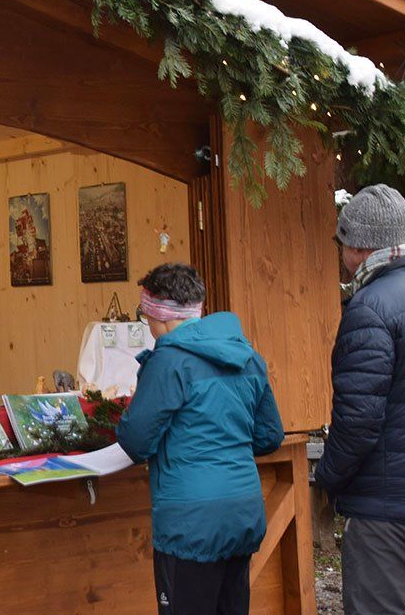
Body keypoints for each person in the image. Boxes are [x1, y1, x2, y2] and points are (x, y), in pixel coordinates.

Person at [116, 263, 284, 615]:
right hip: (241, 513)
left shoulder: (168, 362)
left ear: (158, 315)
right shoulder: (246, 356)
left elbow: (135, 441)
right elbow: (269, 435)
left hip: (189, 522)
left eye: (144, 314)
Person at [314, 184, 405, 615]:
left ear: (358, 246)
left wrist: (327, 478)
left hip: (386, 515)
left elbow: (357, 420)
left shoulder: (369, 306)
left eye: (342, 244)